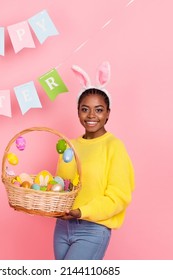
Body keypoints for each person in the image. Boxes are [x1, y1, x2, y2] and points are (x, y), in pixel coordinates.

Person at [53, 62, 135, 260]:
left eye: (98, 110)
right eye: (85, 109)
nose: (91, 115)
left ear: (108, 113)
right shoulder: (70, 146)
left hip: (93, 230)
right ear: (78, 111)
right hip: (62, 228)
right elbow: (62, 186)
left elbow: (119, 197)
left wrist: (81, 211)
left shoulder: (113, 146)